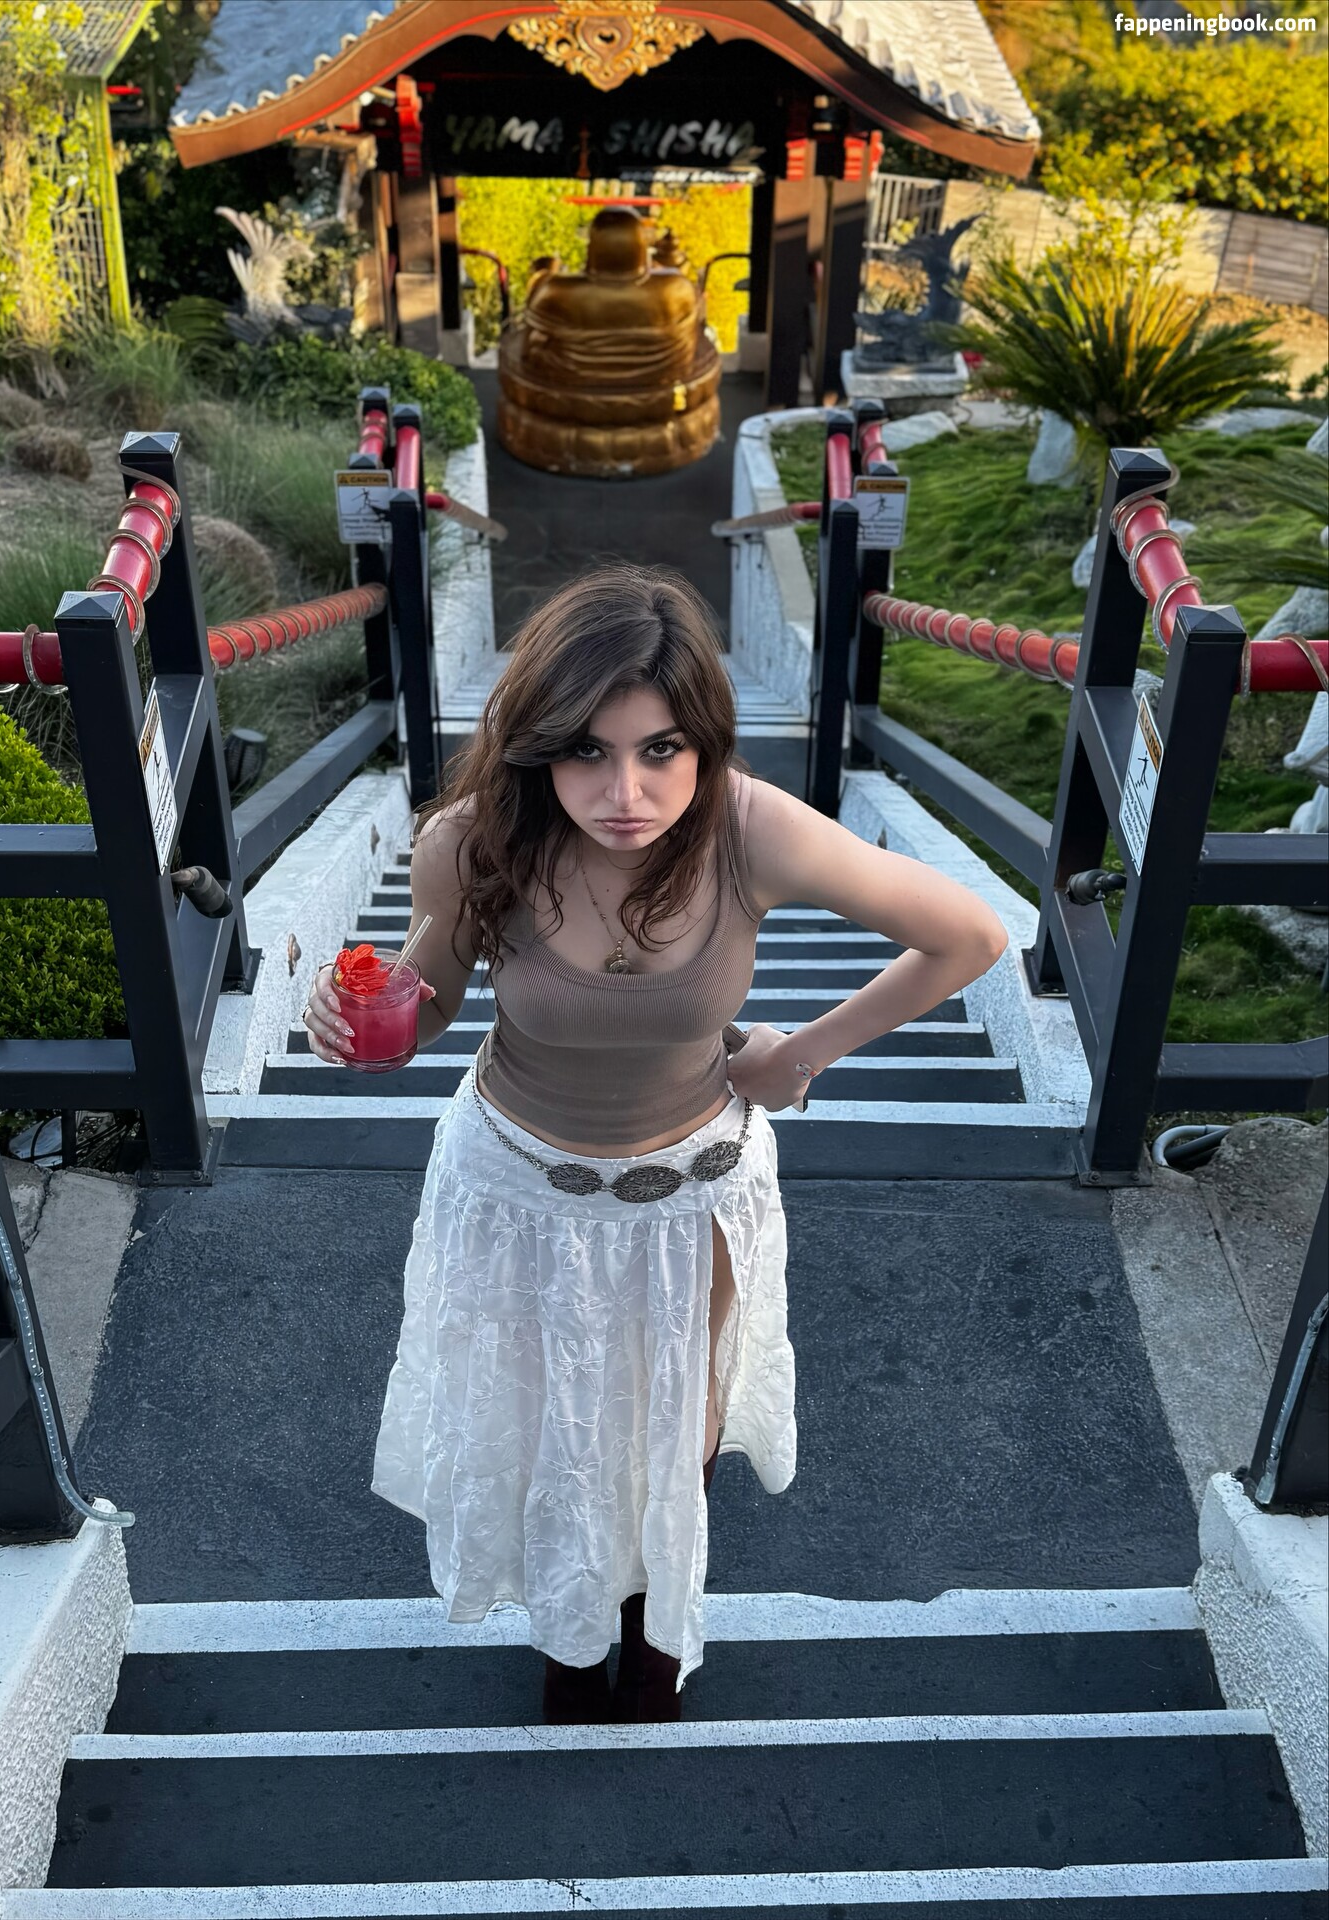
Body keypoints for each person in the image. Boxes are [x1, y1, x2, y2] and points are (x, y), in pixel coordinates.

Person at [304, 564, 1009, 1723]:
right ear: (539, 744)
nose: (625, 792)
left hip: (691, 1191)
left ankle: (645, 1633)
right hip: (518, 1189)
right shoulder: (473, 842)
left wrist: (802, 1054)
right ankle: (569, 1640)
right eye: (587, 751)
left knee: (675, 1429)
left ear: (705, 744)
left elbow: (970, 935)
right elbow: (425, 1001)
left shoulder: (748, 830)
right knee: (552, 1428)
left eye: (661, 750)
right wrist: (358, 1019)